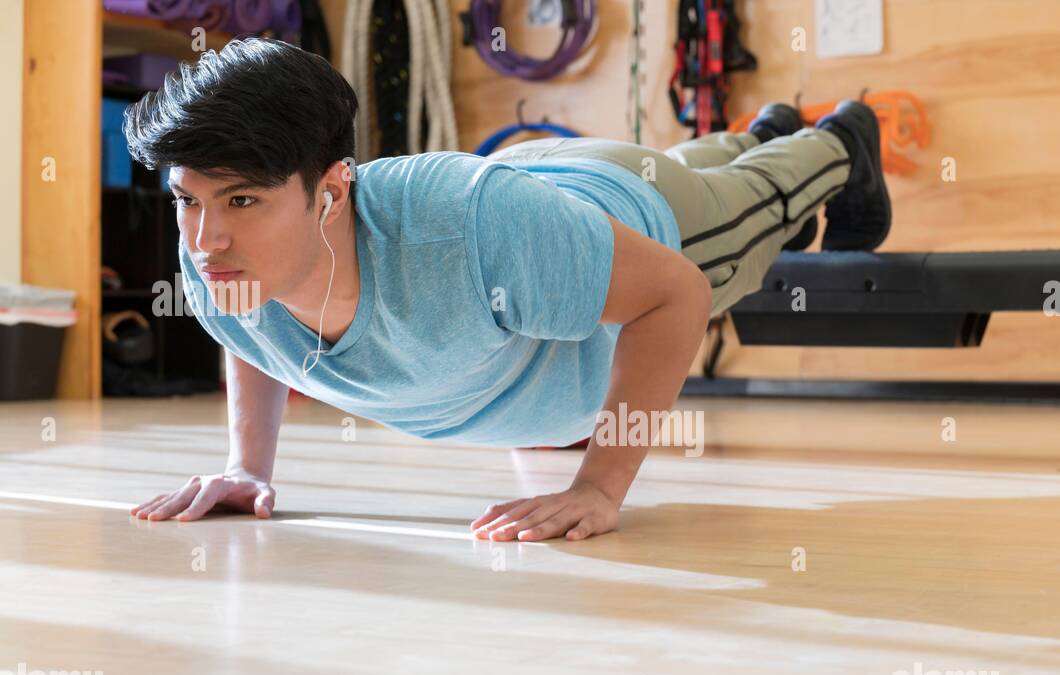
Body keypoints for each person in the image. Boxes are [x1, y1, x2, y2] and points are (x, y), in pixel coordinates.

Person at [124, 38, 890, 542]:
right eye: (188, 199)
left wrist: (599, 487)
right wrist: (249, 468)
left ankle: (837, 141)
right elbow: (257, 336)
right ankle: (759, 134)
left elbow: (678, 296)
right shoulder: (220, 251)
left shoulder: (469, 230)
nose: (203, 239)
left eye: (242, 201)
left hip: (631, 216)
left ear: (330, 192)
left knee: (755, 217)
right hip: (546, 211)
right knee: (708, 169)